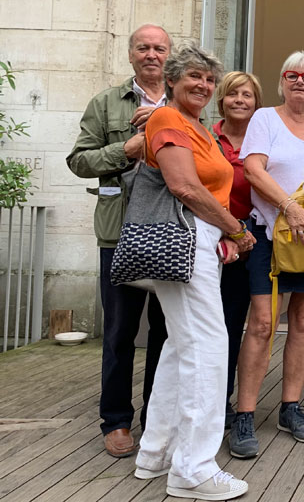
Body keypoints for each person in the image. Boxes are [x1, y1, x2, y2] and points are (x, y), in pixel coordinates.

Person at [133, 41, 255, 500]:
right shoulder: (167, 119)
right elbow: (183, 185)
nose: (203, 85)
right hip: (183, 240)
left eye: (208, 79)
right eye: (193, 77)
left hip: (201, 241)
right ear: (171, 81)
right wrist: (236, 230)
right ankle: (193, 469)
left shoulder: (197, 126)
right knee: (208, 345)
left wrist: (222, 233)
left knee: (181, 346)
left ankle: (155, 452)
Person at [229, 52, 304, 457]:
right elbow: (253, 170)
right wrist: (290, 209)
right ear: (281, 81)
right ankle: (244, 413)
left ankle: (290, 407)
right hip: (272, 237)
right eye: (292, 75)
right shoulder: (264, 119)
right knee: (262, 323)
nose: (300, 82)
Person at [67, 24, 172, 458]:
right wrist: (125, 150)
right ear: (130, 55)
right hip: (120, 232)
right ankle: (115, 421)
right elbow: (78, 160)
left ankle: (156, 418)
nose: (151, 54)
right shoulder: (106, 103)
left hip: (172, 230)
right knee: (119, 332)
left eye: (159, 48)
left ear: (170, 57)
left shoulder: (184, 103)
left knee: (168, 333)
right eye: (143, 48)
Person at [212, 71, 263, 428]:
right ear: (222, 100)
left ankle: (223, 400)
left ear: (257, 104)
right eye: (233, 94)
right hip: (207, 241)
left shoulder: (264, 142)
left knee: (232, 325)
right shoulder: (206, 136)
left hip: (249, 245)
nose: (240, 101)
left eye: (247, 95)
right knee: (200, 327)